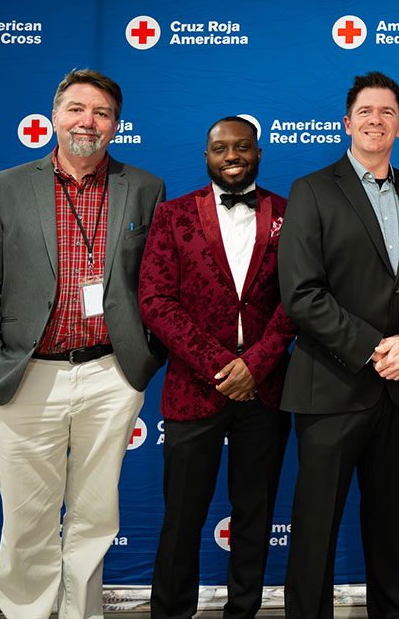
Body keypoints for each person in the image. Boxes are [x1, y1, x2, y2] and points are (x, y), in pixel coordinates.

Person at [0, 69, 166, 619]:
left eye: (102, 113)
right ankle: (27, 611)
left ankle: (82, 613)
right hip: (25, 373)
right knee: (28, 516)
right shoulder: (3, 187)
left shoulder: (144, 188)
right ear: (54, 116)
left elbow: (156, 283)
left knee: (96, 514)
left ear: (116, 126)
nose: (88, 121)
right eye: (77, 109)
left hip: (110, 374)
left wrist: (141, 362)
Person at [278, 71, 399, 619]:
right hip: (331, 385)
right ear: (347, 122)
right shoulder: (312, 189)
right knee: (313, 532)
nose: (376, 121)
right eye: (366, 112)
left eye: (387, 113)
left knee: (391, 527)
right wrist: (379, 347)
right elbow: (302, 294)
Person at [139, 116, 296, 619]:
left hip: (265, 391)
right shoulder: (172, 215)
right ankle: (171, 612)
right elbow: (156, 301)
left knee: (255, 514)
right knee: (182, 518)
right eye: (220, 148)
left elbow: (298, 300)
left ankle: (243, 611)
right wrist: (221, 365)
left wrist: (255, 364)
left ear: (258, 153)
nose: (232, 155)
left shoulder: (290, 216)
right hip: (193, 388)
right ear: (205, 156)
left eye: (242, 147)